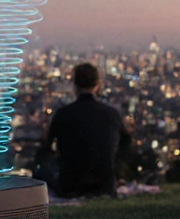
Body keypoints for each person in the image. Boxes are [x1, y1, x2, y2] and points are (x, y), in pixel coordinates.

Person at [38, 62, 131, 198]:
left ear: (75, 86)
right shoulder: (112, 114)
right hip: (105, 186)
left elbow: (46, 148)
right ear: (98, 85)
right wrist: (117, 172)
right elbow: (126, 142)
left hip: (70, 186)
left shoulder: (63, 114)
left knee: (41, 171)